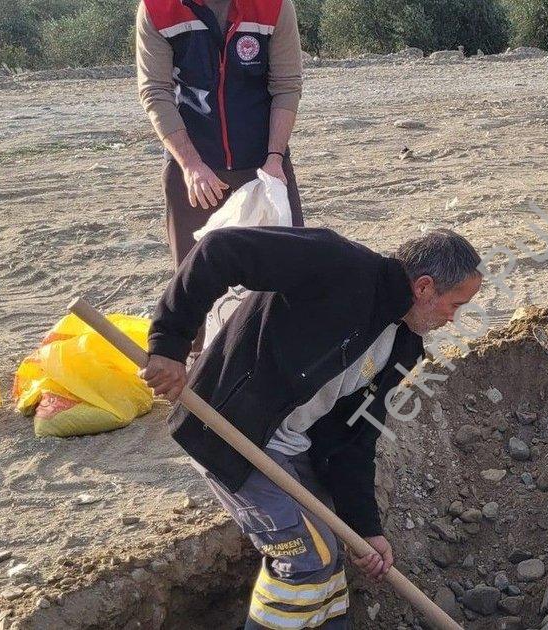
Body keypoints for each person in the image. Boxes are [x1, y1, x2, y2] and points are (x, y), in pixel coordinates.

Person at [140, 227, 482, 629]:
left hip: (289, 445)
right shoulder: (337, 265)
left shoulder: (402, 346)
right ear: (425, 287)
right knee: (306, 554)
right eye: (454, 305)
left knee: (331, 550)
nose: (453, 318)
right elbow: (219, 250)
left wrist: (365, 528)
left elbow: (355, 439)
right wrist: (168, 343)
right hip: (228, 427)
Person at [136, 0, 306, 269]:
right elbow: (155, 92)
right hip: (195, 170)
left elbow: (286, 85)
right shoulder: (157, 7)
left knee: (288, 272)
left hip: (265, 163)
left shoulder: (274, 5)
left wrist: (274, 157)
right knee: (196, 281)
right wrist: (191, 165)